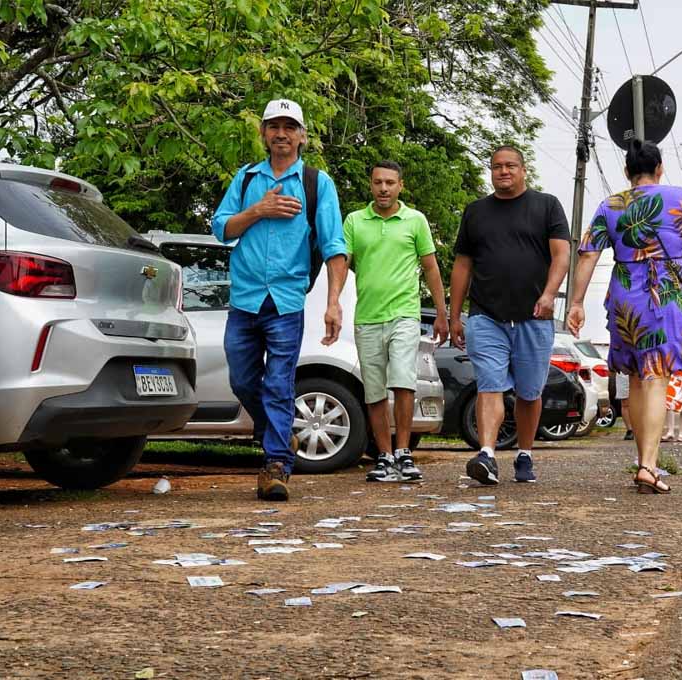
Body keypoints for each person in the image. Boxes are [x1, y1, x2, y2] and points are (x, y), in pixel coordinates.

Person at [212, 98, 349, 501]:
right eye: (274, 126)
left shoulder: (316, 183)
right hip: (245, 298)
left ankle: (275, 466)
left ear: (302, 136)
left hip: (287, 300)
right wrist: (259, 209)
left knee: (279, 383)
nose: (282, 134)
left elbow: (334, 246)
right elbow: (222, 228)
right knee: (241, 378)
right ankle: (280, 431)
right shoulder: (246, 178)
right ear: (263, 133)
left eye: (290, 127)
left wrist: (333, 302)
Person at [566, 140, 682, 494]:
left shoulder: (610, 205)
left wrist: (576, 302)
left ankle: (643, 461)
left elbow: (587, 255)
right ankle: (649, 465)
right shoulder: (679, 199)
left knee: (635, 376)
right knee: (657, 376)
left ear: (626, 172)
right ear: (660, 168)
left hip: (624, 296)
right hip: (663, 293)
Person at [449, 146, 570, 485]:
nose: (503, 171)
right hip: (486, 316)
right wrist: (455, 314)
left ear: (523, 169)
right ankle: (487, 455)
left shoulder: (546, 206)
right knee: (490, 385)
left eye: (510, 166)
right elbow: (462, 265)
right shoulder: (476, 212)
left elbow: (561, 255)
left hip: (534, 316)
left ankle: (524, 454)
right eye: (496, 167)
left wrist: (549, 294)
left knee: (530, 393)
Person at [344, 160, 448, 483]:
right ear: (371, 185)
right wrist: (333, 301)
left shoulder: (415, 220)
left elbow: (430, 267)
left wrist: (442, 312)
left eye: (390, 182)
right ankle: (384, 456)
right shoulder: (354, 221)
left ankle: (404, 453)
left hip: (405, 314)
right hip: (367, 317)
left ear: (400, 185)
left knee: (403, 381)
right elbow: (343, 263)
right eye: (378, 182)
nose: (384, 188)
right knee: (373, 390)